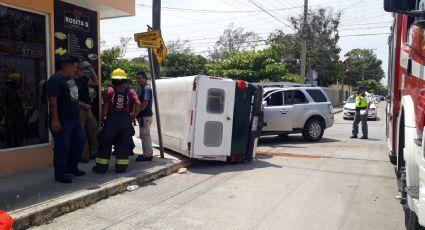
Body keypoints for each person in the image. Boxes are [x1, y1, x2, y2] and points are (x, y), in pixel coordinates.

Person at [92, 68, 141, 174]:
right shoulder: (130, 91)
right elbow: (138, 104)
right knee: (123, 144)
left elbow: (105, 107)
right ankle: (120, 168)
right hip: (125, 121)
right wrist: (133, 115)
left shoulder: (109, 90)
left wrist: (101, 119)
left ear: (113, 80)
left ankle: (101, 168)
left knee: (105, 144)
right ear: (125, 80)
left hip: (111, 121)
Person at [46, 56, 85, 183]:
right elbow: (52, 102)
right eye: (74, 66)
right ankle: (60, 173)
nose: (75, 69)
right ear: (65, 65)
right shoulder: (55, 80)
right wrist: (55, 120)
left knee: (79, 142)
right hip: (62, 120)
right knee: (61, 147)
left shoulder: (71, 78)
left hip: (74, 119)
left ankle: (72, 168)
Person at [75, 61, 99, 162]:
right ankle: (81, 155)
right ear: (76, 70)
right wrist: (83, 105)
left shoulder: (84, 79)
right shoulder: (71, 81)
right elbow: (71, 98)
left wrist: (92, 70)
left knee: (93, 128)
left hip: (87, 107)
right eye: (81, 69)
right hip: (79, 107)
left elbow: (96, 83)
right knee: (80, 132)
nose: (83, 71)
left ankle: (94, 152)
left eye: (84, 69)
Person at [135, 71, 154, 161]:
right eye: (137, 78)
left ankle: (148, 155)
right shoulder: (142, 88)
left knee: (145, 136)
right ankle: (146, 154)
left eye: (139, 78)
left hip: (145, 116)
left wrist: (136, 112)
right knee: (144, 135)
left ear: (145, 78)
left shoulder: (146, 88)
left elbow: (145, 103)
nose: (138, 80)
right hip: (144, 116)